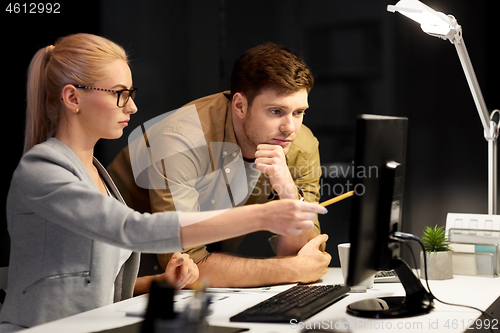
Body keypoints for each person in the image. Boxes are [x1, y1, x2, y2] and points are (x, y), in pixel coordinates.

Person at [0, 34, 327, 331]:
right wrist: (267, 217)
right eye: (119, 94)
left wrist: (163, 281)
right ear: (73, 98)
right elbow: (132, 229)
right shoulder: (41, 168)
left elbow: (102, 285)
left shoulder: (97, 174)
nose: (132, 106)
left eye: (130, 93)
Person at [108, 42, 331, 288]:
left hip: (199, 278)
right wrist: (289, 269)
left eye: (298, 112)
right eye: (276, 111)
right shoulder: (181, 141)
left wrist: (289, 193)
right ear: (240, 106)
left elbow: (309, 252)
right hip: (125, 268)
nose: (290, 128)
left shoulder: (300, 144)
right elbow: (184, 264)